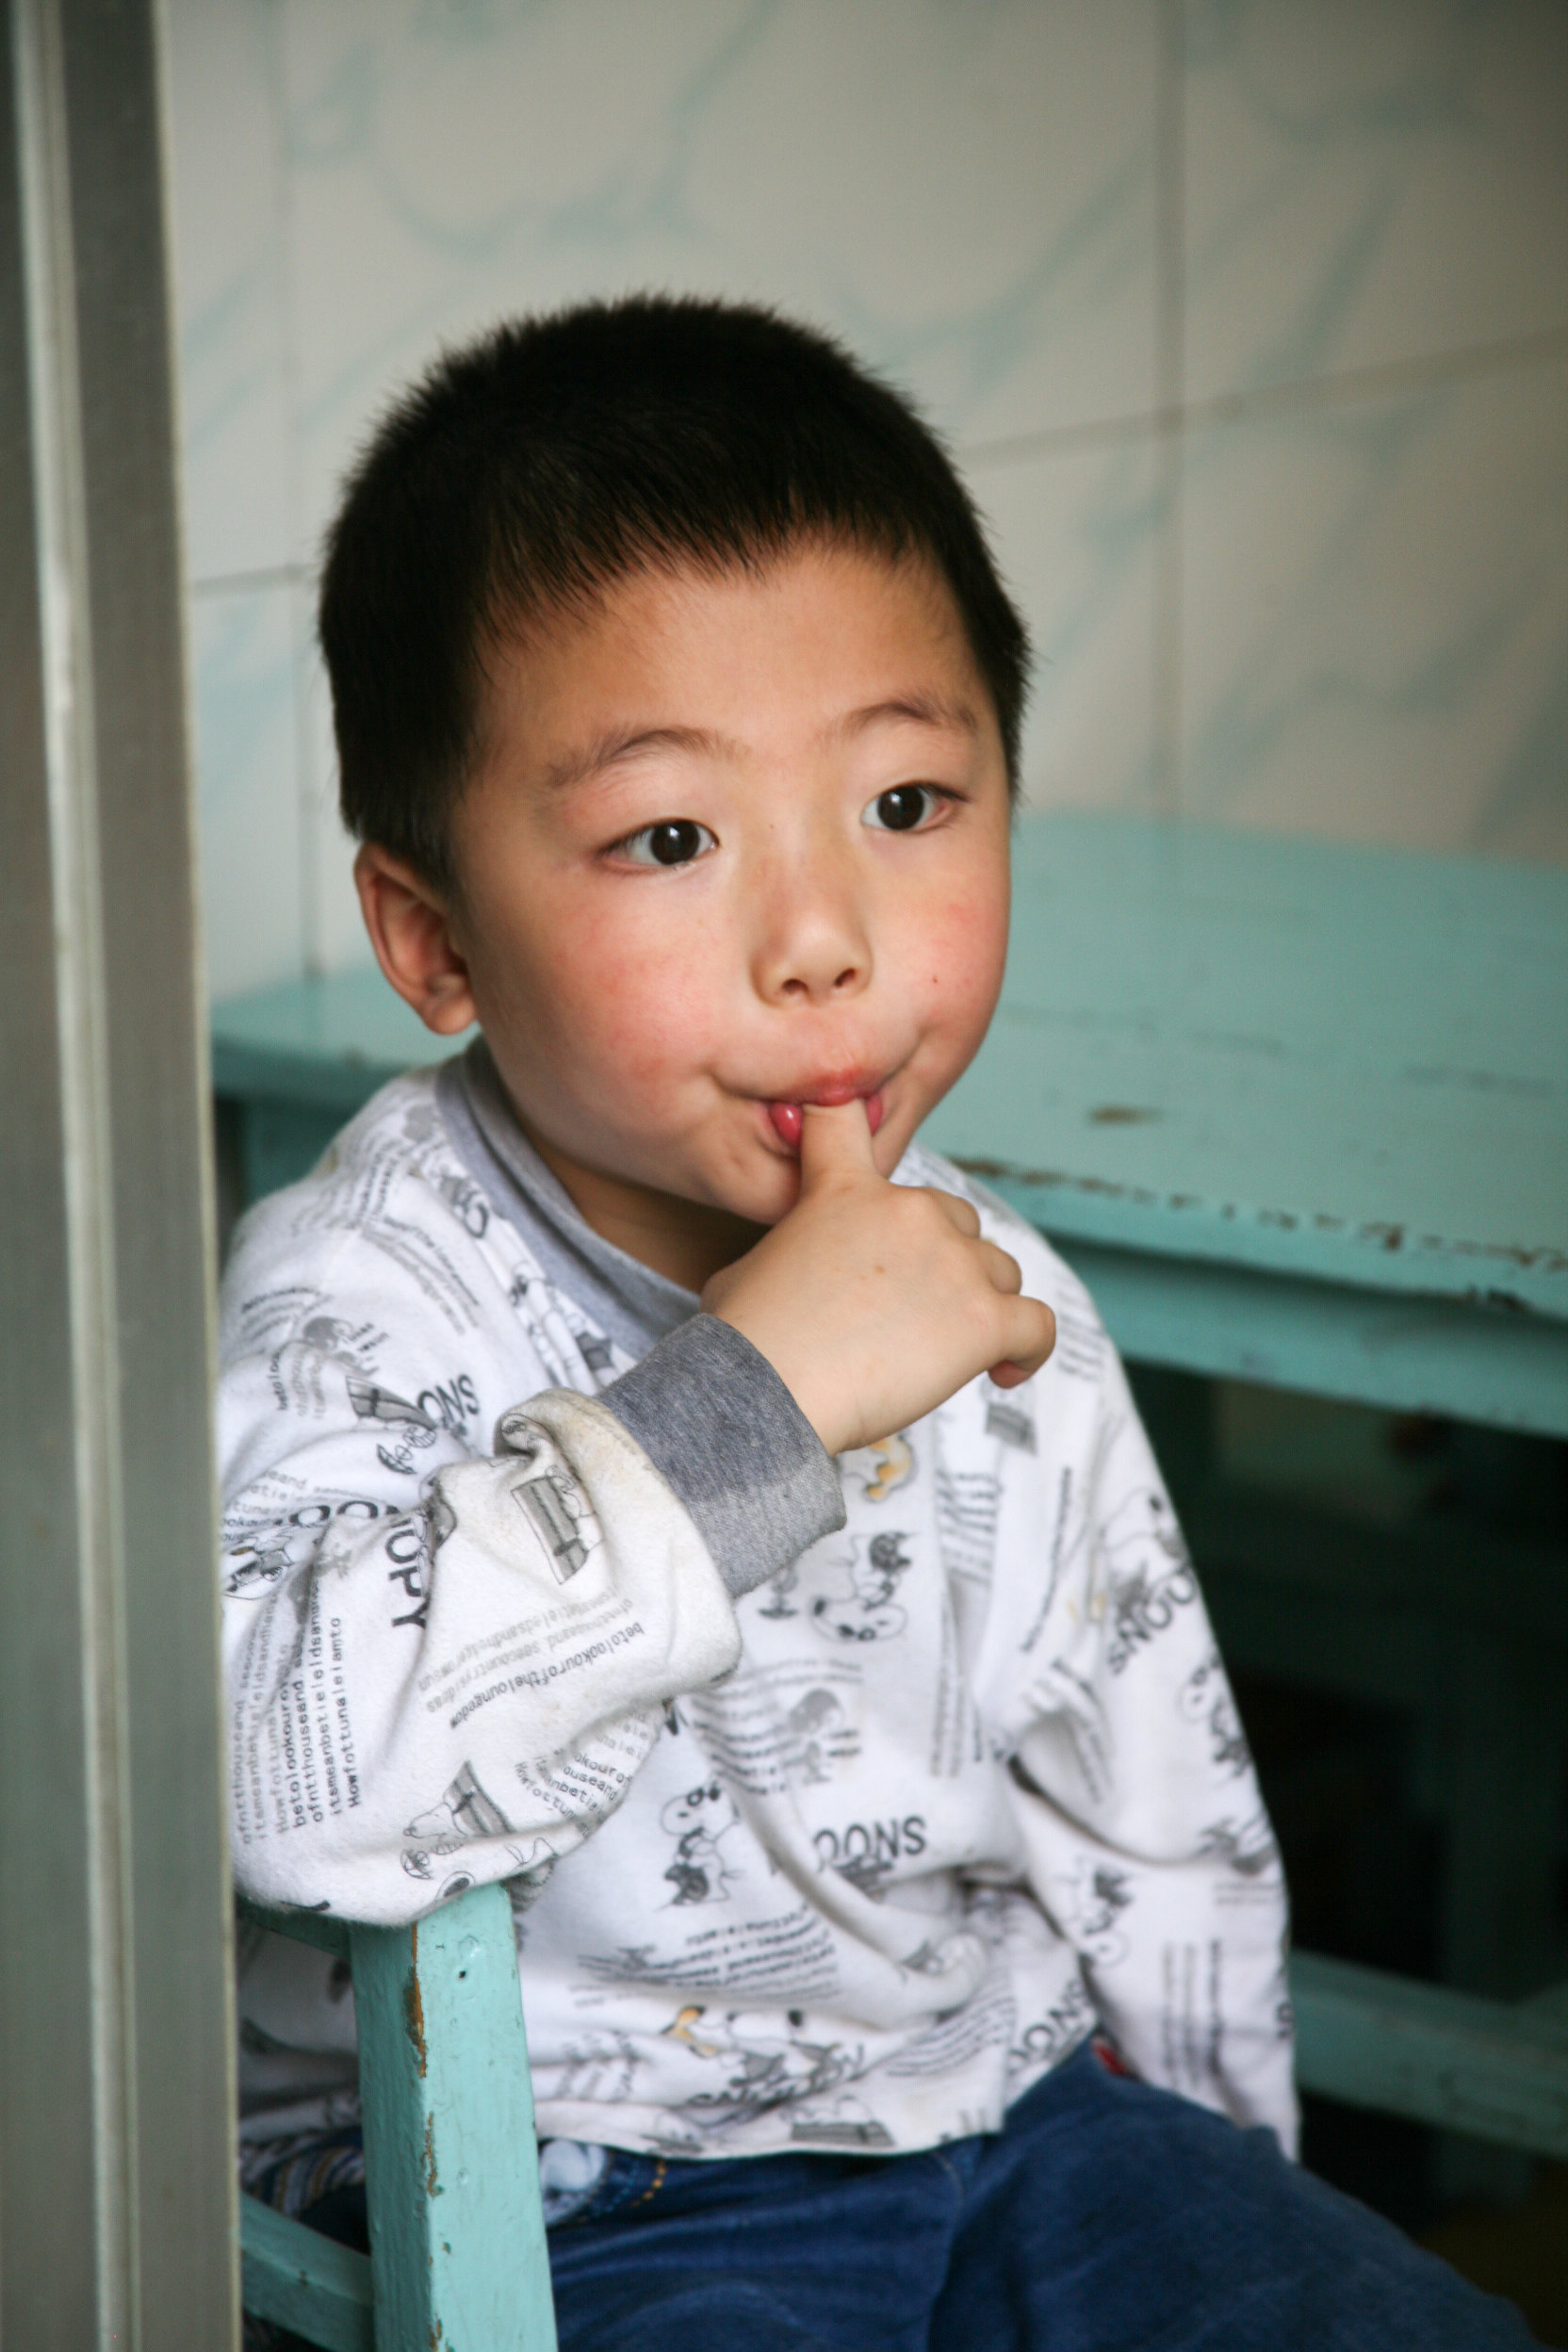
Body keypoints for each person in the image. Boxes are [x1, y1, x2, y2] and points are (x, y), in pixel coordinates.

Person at [225, 295, 1532, 2349]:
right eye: (671, 838)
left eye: (907, 804)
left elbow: (1151, 1813)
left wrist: (1232, 2214)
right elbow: (282, 1789)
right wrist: (747, 1410)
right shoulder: (356, 1296)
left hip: (1011, 2116)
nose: (822, 941)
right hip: (570, 2185)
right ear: (435, 935)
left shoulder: (991, 1295)